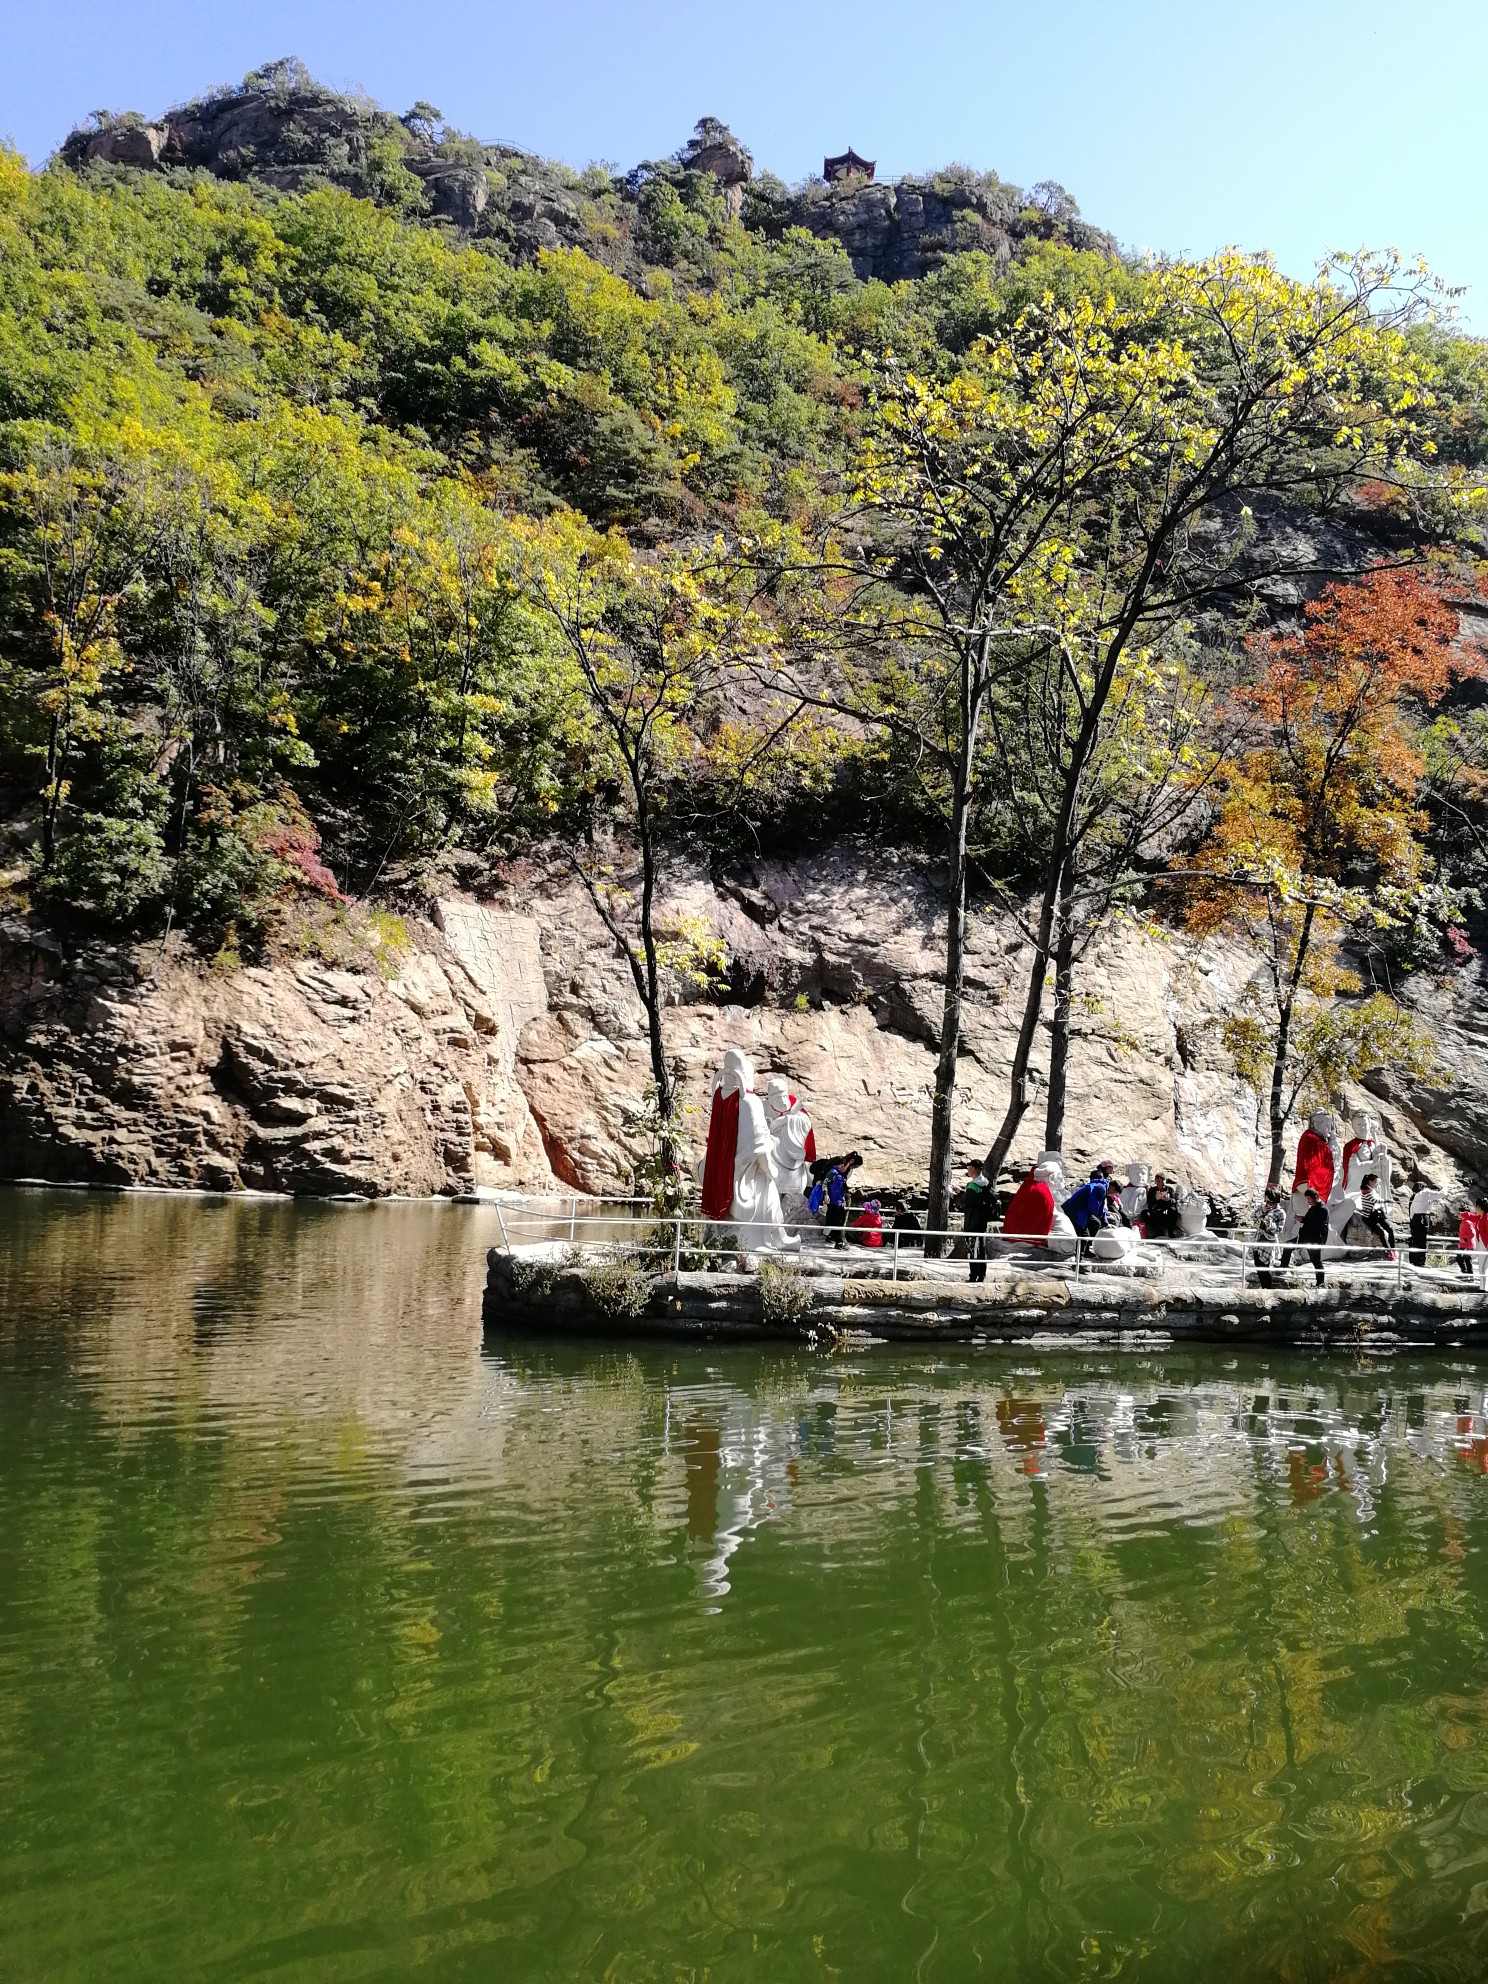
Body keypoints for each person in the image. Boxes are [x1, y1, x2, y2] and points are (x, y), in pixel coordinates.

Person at [1063, 1163, 1115, 1253]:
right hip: (1077, 1212)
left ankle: (1085, 1250)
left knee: (1095, 1223)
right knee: (1084, 1235)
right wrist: (1099, 1216)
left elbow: (1100, 1206)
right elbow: (1094, 1206)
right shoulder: (1100, 1187)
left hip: (1075, 1209)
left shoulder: (1093, 1186)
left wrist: (1104, 1222)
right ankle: (1079, 1260)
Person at [1286, 1187, 1331, 1288]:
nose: (1308, 1201)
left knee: (1316, 1261)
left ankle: (1320, 1283)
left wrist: (1304, 1220)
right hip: (1305, 1237)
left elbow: (1317, 1224)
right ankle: (1283, 1268)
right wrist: (1301, 1219)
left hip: (1315, 1239)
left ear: (1315, 1197)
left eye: (1309, 1199)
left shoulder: (1323, 1209)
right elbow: (1308, 1220)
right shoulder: (1313, 1208)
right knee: (1288, 1246)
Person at [818, 1152, 862, 1249]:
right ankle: (839, 1241)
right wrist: (826, 1195)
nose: (845, 1167)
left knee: (838, 1221)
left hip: (840, 1201)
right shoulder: (832, 1172)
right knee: (836, 1221)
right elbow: (825, 1183)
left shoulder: (842, 1175)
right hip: (833, 1201)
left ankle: (832, 1237)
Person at [963, 1161, 994, 1282]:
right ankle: (981, 1274)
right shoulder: (986, 1183)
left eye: (968, 1166)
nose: (967, 1169)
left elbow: (967, 1204)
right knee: (981, 1248)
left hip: (972, 1222)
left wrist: (958, 1194)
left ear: (973, 1169)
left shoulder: (972, 1186)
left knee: (972, 1249)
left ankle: (973, 1276)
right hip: (982, 1222)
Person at [1357, 1173, 1395, 1254]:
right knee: (1381, 1232)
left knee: (1390, 1229)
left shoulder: (1372, 1190)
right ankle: (1388, 1251)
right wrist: (1387, 1200)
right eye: (1375, 1182)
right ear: (1370, 1182)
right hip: (1369, 1216)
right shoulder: (1366, 1191)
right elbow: (1375, 1200)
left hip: (1377, 1214)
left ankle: (1393, 1249)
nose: (1377, 1184)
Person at [1256, 1185, 1287, 1284]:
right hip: (1259, 1238)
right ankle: (1263, 1287)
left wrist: (1269, 1222)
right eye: (1266, 1200)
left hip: (1269, 1241)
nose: (1267, 1202)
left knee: (1265, 1267)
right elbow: (1253, 1216)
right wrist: (1262, 1211)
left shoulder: (1280, 1212)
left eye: (1269, 1200)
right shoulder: (1264, 1207)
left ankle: (1267, 1289)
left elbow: (1278, 1230)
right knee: (1257, 1264)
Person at [1409, 1182, 1444, 1269]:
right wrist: (1441, 1188)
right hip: (1422, 1217)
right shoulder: (1425, 1192)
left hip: (1414, 1218)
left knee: (1415, 1240)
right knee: (1422, 1240)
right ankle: (1420, 1262)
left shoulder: (1414, 1196)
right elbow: (1442, 1194)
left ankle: (1413, 1260)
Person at [1143, 1172, 1180, 1241]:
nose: (1159, 1183)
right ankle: (1159, 1231)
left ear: (1164, 1181)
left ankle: (1171, 1232)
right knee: (1144, 1213)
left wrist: (1169, 1200)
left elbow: (1175, 1201)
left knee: (1173, 1210)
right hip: (1156, 1212)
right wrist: (1156, 1199)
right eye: (1157, 1181)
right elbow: (1149, 1203)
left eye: (1161, 1181)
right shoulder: (1152, 1190)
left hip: (1166, 1213)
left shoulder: (1169, 1189)